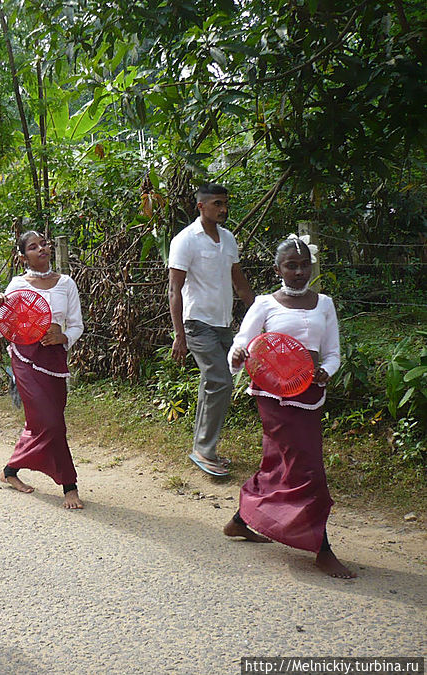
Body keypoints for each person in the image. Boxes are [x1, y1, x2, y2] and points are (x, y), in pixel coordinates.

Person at [223, 236, 355, 579]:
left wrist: (327, 371)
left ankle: (241, 519)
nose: (298, 272)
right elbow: (243, 342)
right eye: (290, 266)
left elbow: (333, 354)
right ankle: (321, 549)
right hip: (273, 398)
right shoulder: (266, 304)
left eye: (304, 265)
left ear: (312, 267)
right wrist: (237, 355)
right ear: (277, 269)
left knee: (280, 463)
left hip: (310, 396)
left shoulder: (324, 303)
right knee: (308, 468)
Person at [0, 230, 85, 509]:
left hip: (54, 358)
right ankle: (69, 485)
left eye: (44, 243)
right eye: (33, 246)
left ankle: (10, 471)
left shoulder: (66, 283)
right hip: (24, 357)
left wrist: (64, 337)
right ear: (23, 257)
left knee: (41, 423)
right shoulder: (17, 285)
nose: (42, 248)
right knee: (53, 423)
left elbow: (76, 325)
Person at [168, 183, 254, 477]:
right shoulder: (185, 240)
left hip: (223, 324)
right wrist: (179, 334)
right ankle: (204, 450)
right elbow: (174, 290)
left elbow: (240, 283)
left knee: (213, 382)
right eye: (217, 203)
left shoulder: (228, 239)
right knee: (220, 381)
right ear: (200, 206)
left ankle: (203, 448)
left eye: (225, 204)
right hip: (197, 324)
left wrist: (261, 317)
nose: (224, 209)